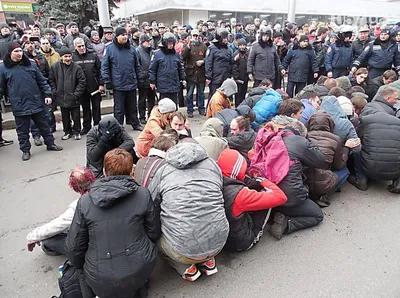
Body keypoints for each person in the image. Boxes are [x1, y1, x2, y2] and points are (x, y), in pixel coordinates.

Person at [66, 148, 160, 297]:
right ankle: (138, 287)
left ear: (104, 172)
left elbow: (74, 247)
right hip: (140, 268)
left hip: (100, 276)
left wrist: (79, 265)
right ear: (131, 173)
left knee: (77, 267)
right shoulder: (143, 194)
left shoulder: (85, 202)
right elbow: (154, 232)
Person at [147, 141, 229, 281]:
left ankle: (187, 268)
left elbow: (152, 200)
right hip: (219, 242)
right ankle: (208, 261)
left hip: (183, 251)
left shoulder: (163, 171)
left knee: (157, 239)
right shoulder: (212, 165)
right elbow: (219, 190)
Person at [0, 42, 63, 161]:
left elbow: (42, 81)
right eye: (16, 52)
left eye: (20, 51)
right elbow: (1, 88)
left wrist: (47, 94)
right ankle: (25, 150)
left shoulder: (31, 64)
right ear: (10, 53)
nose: (19, 54)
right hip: (19, 104)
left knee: (44, 125)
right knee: (22, 131)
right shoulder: (3, 68)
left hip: (36, 101)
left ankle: (50, 144)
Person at [217, 148, 287, 251]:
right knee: (266, 192)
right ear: (239, 170)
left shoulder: (214, 182)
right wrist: (262, 180)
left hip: (221, 240)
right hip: (240, 243)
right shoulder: (241, 195)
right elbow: (280, 197)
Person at [267, 121, 326, 240]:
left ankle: (274, 214)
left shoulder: (271, 137)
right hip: (289, 197)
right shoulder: (299, 141)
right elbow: (320, 161)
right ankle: (288, 223)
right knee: (317, 216)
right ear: (301, 133)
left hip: (267, 193)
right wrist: (307, 141)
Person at [26, 167, 96, 255]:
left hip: (94, 245)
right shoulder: (108, 190)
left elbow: (56, 226)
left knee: (48, 241)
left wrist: (32, 237)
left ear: (74, 187)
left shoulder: (79, 206)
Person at [350, 86, 400, 193]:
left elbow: (358, 135)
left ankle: (361, 178)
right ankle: (397, 182)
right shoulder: (395, 119)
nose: (396, 102)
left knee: (356, 147)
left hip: (370, 167)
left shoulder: (368, 112)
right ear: (387, 99)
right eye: (395, 99)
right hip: (394, 170)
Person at [305, 111, 359, 207]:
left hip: (305, 181)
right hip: (323, 182)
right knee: (345, 171)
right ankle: (326, 194)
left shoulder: (304, 137)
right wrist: (346, 148)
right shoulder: (335, 139)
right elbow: (339, 165)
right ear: (330, 124)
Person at [101, 27, 144, 131]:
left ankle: (135, 123)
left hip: (131, 82)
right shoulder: (110, 49)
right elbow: (105, 66)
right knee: (119, 109)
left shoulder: (132, 49)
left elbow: (137, 66)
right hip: (118, 84)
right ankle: (118, 126)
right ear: (117, 36)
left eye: (126, 35)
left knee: (133, 106)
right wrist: (107, 80)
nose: (125, 37)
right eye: (122, 35)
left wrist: (139, 78)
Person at [49, 47, 86, 141]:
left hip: (74, 97)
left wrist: (76, 94)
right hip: (61, 97)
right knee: (65, 116)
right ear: (61, 57)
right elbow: (51, 80)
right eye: (66, 56)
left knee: (76, 116)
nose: (68, 58)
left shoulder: (76, 67)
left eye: (70, 56)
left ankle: (77, 131)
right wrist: (55, 91)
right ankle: (67, 132)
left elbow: (82, 82)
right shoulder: (55, 67)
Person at [72, 38, 104, 135]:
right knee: (85, 109)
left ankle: (98, 126)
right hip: (81, 89)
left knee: (96, 108)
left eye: (83, 45)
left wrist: (101, 84)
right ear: (75, 47)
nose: (82, 48)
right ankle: (86, 127)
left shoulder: (93, 55)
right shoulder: (73, 58)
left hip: (94, 87)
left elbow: (100, 71)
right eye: (79, 46)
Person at [149, 32, 186, 105]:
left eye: (172, 43)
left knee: (174, 106)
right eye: (169, 43)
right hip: (163, 86)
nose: (171, 45)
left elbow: (180, 68)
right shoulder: (157, 54)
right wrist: (152, 81)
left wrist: (183, 78)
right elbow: (152, 69)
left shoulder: (176, 54)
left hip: (174, 85)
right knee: (164, 107)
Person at [181, 29, 207, 117]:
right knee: (189, 94)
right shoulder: (187, 45)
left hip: (200, 73)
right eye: (193, 35)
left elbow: (208, 58)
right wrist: (188, 46)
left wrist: (203, 61)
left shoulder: (203, 46)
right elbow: (183, 56)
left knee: (201, 93)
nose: (195, 37)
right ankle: (190, 109)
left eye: (196, 35)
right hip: (190, 73)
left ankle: (201, 108)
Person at [205, 28, 233, 99]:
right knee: (214, 96)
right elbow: (208, 63)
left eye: (226, 38)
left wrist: (231, 75)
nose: (225, 39)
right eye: (224, 38)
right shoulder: (212, 48)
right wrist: (208, 77)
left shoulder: (229, 49)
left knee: (225, 97)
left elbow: (231, 62)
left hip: (226, 76)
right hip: (215, 77)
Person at [136, 34, 156, 124]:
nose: (149, 43)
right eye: (147, 41)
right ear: (142, 42)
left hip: (151, 79)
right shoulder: (138, 51)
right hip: (143, 79)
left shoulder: (152, 51)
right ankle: (142, 116)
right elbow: (137, 65)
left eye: (149, 41)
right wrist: (141, 76)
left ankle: (151, 115)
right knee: (142, 99)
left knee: (151, 99)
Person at [232, 38, 249, 107]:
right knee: (238, 94)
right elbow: (234, 67)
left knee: (244, 93)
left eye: (243, 45)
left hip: (245, 78)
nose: (242, 47)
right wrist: (236, 77)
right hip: (238, 79)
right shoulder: (236, 54)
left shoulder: (247, 54)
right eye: (241, 45)